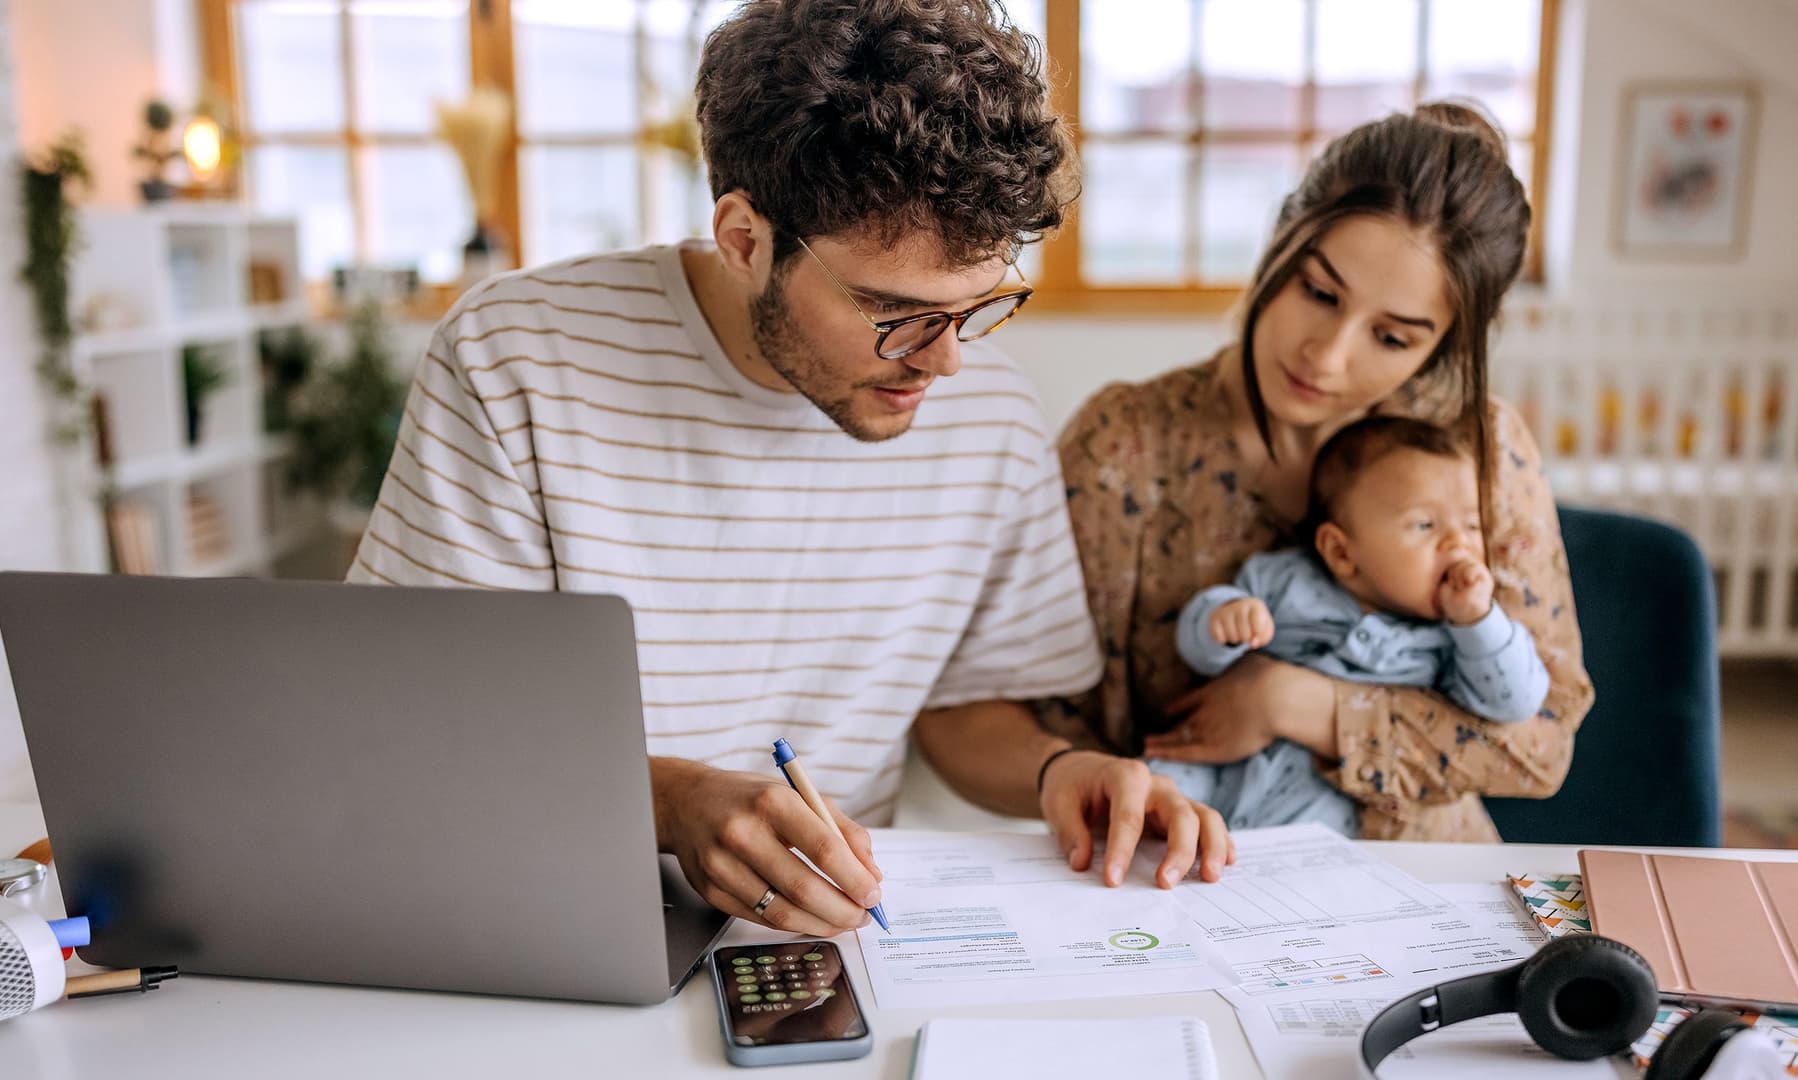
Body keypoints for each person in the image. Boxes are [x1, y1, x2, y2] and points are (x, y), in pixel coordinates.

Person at [347, 0, 1233, 940]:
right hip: (547, 910)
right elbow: (419, 729)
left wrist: (1061, 772)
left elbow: (965, 712)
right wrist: (672, 802)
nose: (945, 362)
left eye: (978, 306)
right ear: (744, 239)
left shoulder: (991, 411)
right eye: (896, 312)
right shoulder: (517, 358)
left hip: (830, 941)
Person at [1048, 101, 1596, 842]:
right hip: (1182, 874)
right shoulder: (1124, 446)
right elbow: (1045, 725)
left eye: (1392, 336)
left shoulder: (1481, 447)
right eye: (1318, 293)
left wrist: (1295, 704)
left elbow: (1541, 744)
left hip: (1424, 889)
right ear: (1280, 237)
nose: (1327, 355)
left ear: (1440, 349)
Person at [1155, 415, 1552, 834]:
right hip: (1225, 766)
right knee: (1157, 785)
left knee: (1309, 850)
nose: (1459, 543)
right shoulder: (1286, 580)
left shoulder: (1454, 639)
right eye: (1424, 525)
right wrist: (1222, 621)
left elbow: (1515, 702)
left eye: (1472, 525)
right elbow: (1199, 655)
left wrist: (1478, 620)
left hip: (1323, 793)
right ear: (1341, 552)